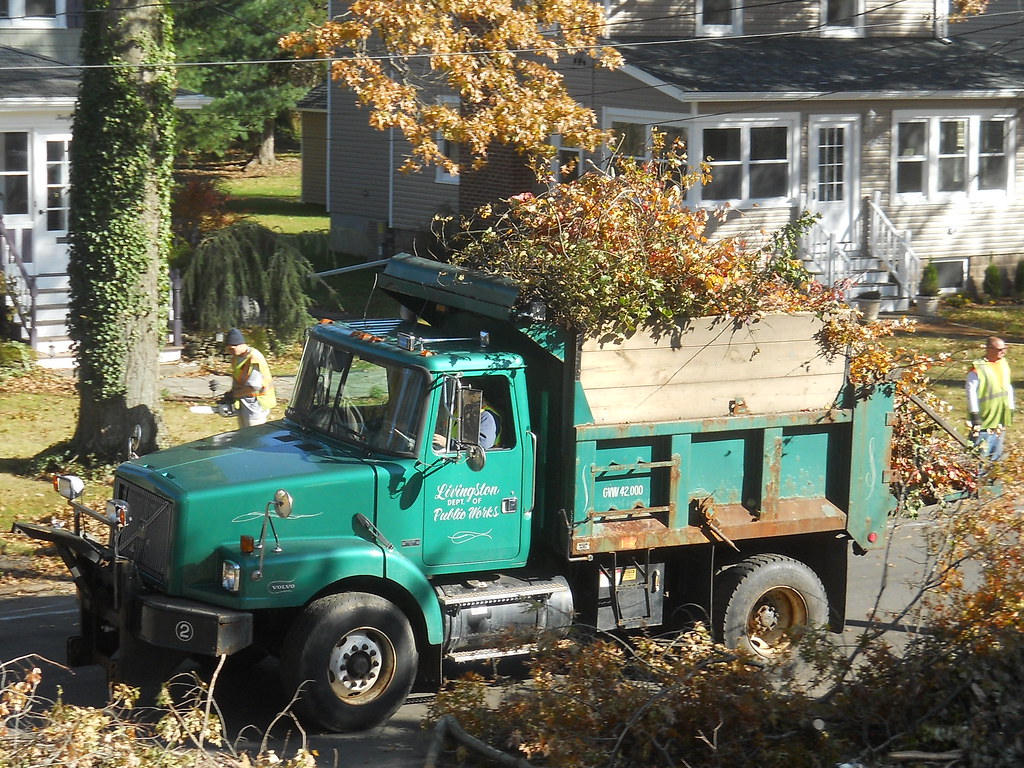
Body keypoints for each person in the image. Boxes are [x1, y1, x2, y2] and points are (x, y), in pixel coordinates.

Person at [966, 336, 1014, 462]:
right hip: (984, 419)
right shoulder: (978, 368)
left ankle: (992, 480)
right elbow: (971, 391)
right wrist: (974, 415)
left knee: (996, 455)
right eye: (1000, 349)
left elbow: (1007, 386)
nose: (1003, 352)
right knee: (978, 455)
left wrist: (1011, 407)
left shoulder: (1003, 364)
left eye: (1004, 349)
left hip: (999, 417)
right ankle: (977, 479)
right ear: (989, 349)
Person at [225, 328, 277, 428]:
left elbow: (254, 387)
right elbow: (238, 379)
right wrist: (230, 394)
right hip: (245, 402)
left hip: (257, 404)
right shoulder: (237, 357)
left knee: (254, 438)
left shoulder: (254, 358)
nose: (230, 352)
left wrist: (233, 394)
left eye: (232, 349)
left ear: (240, 345)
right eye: (228, 349)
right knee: (244, 435)